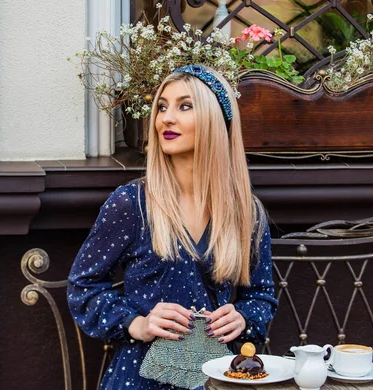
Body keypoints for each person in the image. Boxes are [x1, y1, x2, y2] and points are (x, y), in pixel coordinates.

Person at [67, 64, 277, 390]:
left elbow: (261, 297)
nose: (166, 118)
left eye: (185, 106)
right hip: (140, 379)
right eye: (162, 106)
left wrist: (244, 317)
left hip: (217, 377)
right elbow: (83, 286)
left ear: (215, 121)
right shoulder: (132, 204)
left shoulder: (245, 214)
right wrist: (137, 323)